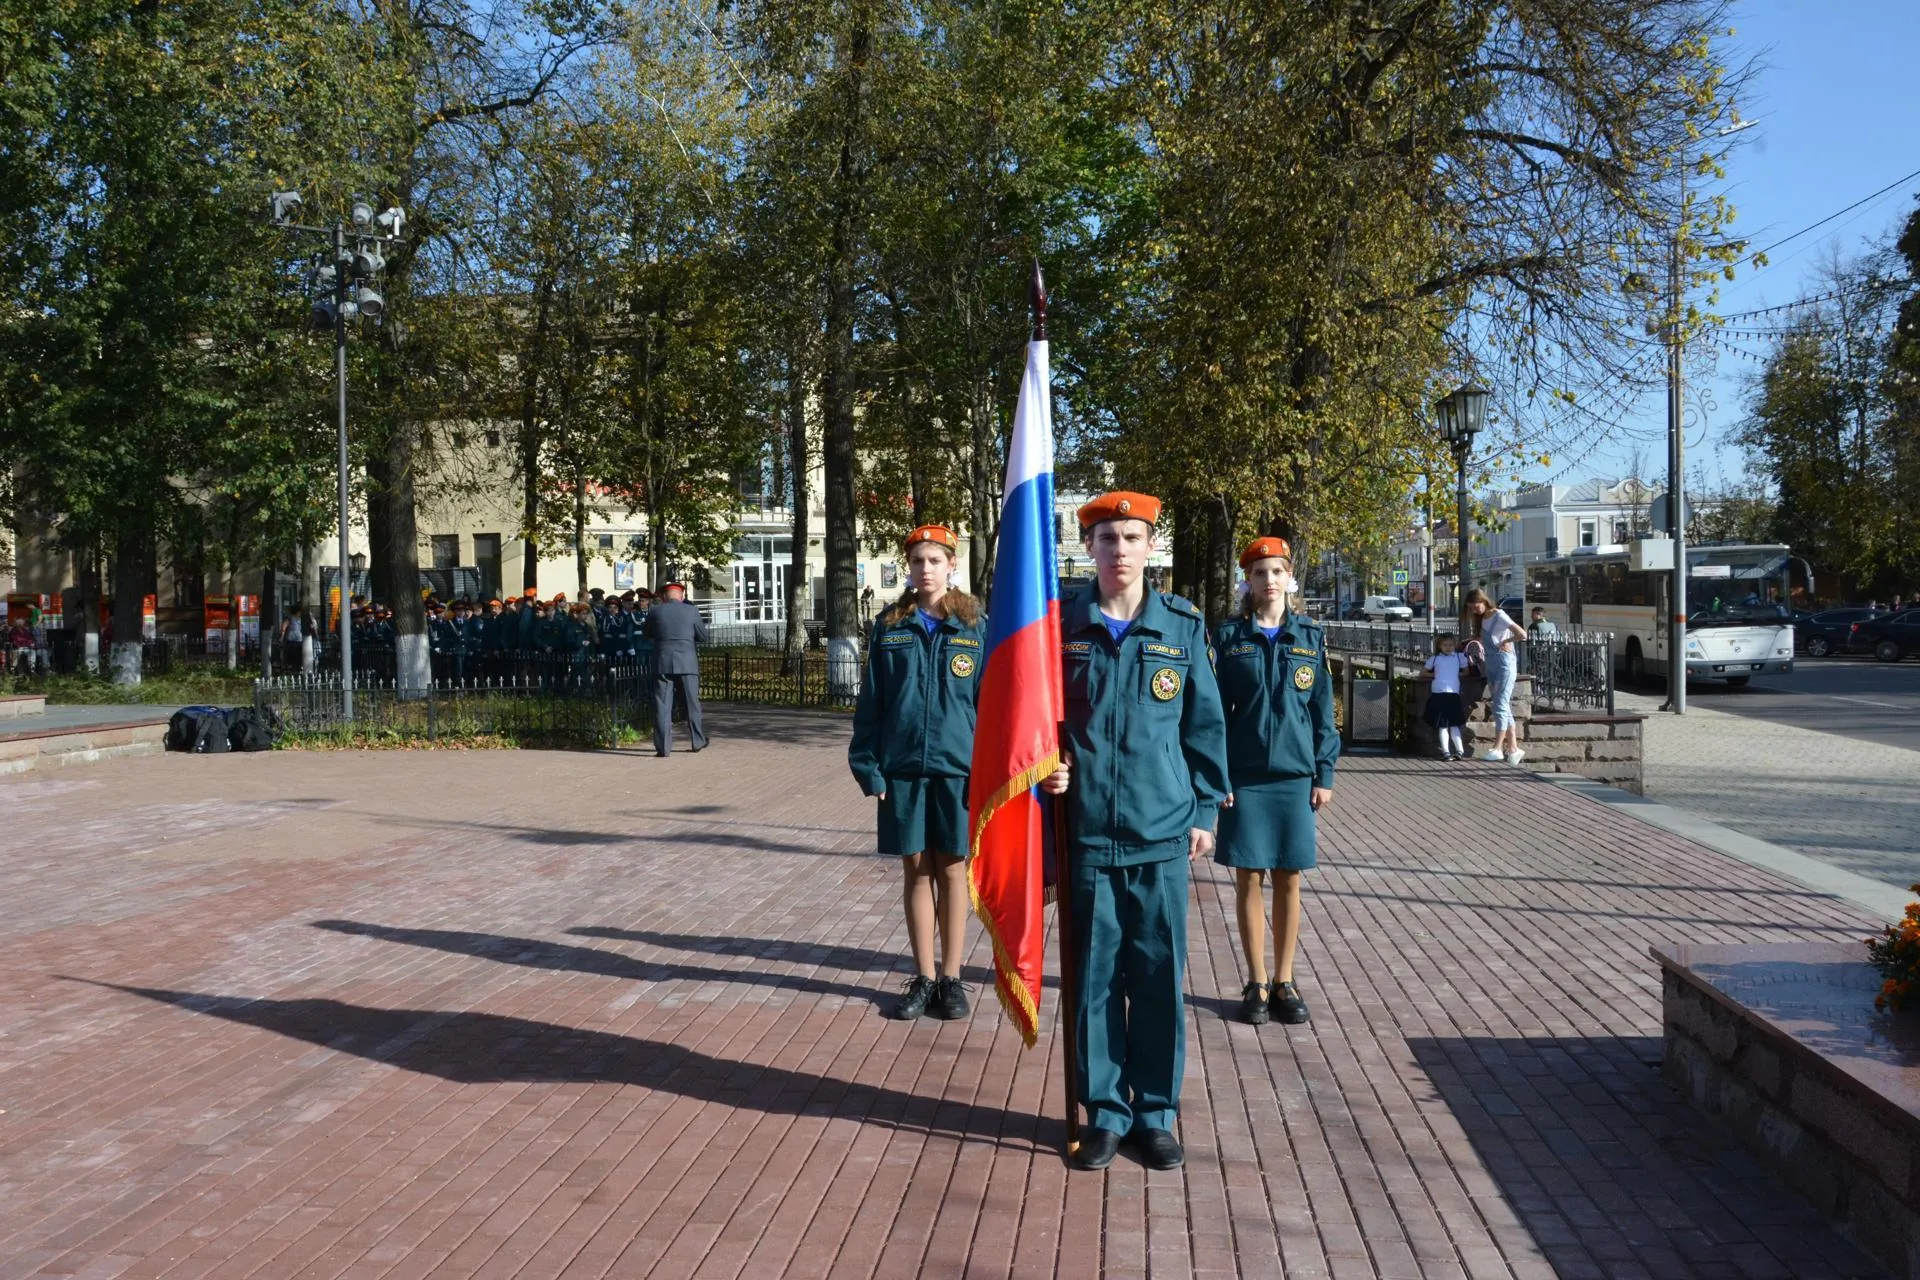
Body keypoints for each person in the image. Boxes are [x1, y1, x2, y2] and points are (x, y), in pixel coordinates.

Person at [1039, 491, 1228, 1173]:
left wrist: (1205, 810)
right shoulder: (1062, 627)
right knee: (1091, 981)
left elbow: (1204, 726)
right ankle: (1105, 1115)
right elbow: (1040, 728)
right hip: (1088, 831)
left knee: (1155, 978)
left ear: (1153, 545)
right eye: (1107, 538)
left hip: (1160, 834)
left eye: (1131, 537)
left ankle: (1154, 1114)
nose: (1119, 550)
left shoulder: (1180, 626)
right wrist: (1045, 771)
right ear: (1088, 547)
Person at [848, 525, 984, 1021]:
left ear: (951, 565)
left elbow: (991, 705)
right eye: (917, 561)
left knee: (952, 870)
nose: (925, 569)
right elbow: (872, 704)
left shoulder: (974, 626)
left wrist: (987, 770)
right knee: (916, 869)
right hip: (902, 768)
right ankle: (923, 976)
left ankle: (952, 978)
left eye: (934, 560)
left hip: (958, 770)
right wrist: (869, 767)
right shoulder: (891, 625)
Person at [1212, 536, 1338, 1030]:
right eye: (1259, 572)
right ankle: (1256, 980)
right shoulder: (1227, 639)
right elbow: (1213, 716)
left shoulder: (1310, 637)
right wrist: (1216, 775)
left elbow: (1324, 714)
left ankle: (1285, 980)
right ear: (1248, 580)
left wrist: (1323, 773)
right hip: (1242, 777)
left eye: (1276, 572)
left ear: (1290, 579)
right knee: (1248, 876)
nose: (1268, 580)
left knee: (1289, 876)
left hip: (1293, 776)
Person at [643, 582, 711, 755]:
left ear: (665, 596)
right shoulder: (691, 611)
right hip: (687, 662)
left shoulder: (655, 611)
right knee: (692, 704)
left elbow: (647, 633)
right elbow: (704, 636)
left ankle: (663, 748)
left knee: (662, 705)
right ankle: (697, 741)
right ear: (681, 596)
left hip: (663, 662)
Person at [1465, 588, 1524, 766]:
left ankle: (1498, 747)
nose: (1474, 611)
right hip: (1491, 664)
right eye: (1471, 609)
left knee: (1499, 705)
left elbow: (1522, 634)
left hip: (1504, 664)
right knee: (1502, 705)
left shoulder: (1499, 615)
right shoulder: (1483, 619)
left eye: (1476, 607)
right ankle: (1513, 748)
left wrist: (1506, 642)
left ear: (1483, 601)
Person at [1421, 632, 1470, 762]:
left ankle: (1459, 751)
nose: (1448, 647)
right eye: (1445, 645)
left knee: (1454, 724)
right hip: (1439, 693)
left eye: (1451, 645)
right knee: (1443, 726)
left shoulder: (1459, 657)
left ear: (1455, 645)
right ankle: (1446, 751)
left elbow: (1466, 672)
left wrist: (1455, 676)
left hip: (1453, 693)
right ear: (1440, 646)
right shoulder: (1435, 659)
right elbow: (1423, 672)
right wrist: (1434, 675)